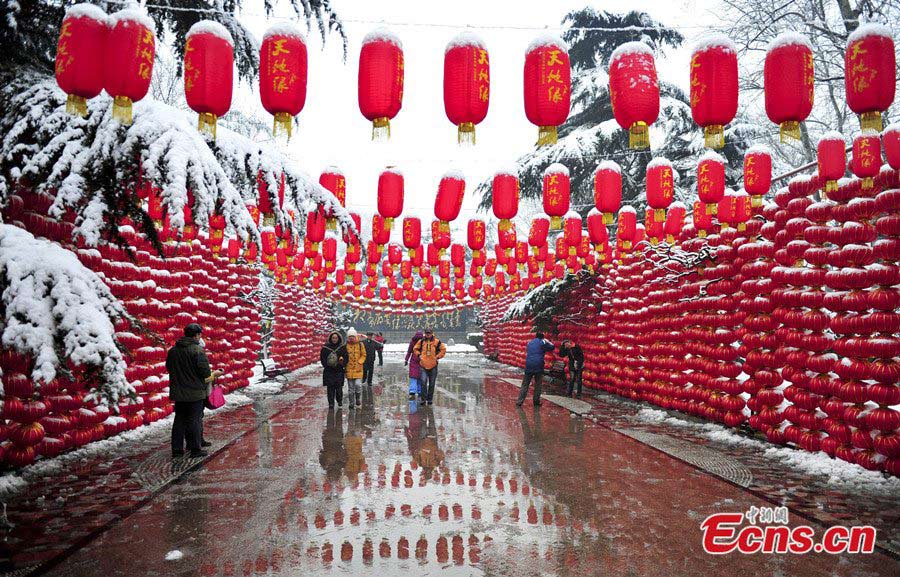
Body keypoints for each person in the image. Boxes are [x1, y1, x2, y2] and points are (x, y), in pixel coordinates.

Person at [166, 323, 221, 458]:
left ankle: (177, 450)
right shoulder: (197, 351)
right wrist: (214, 375)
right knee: (194, 421)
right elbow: (205, 373)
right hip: (195, 393)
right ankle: (195, 449)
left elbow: (168, 367)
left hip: (179, 392)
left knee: (179, 421)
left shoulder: (173, 351)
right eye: (200, 335)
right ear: (197, 335)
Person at [516, 332, 554, 407]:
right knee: (538, 384)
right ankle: (536, 402)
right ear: (542, 337)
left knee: (525, 384)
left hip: (529, 365)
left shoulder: (530, 343)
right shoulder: (542, 342)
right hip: (538, 365)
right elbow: (552, 348)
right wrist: (548, 342)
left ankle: (519, 401)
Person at [413, 329, 446, 405]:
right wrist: (419, 355)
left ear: (432, 333)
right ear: (425, 334)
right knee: (423, 382)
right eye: (426, 333)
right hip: (423, 365)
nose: (428, 335)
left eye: (429, 333)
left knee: (432, 383)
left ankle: (430, 399)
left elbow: (443, 349)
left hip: (433, 365)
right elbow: (415, 349)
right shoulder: (421, 341)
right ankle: (423, 399)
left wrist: (437, 357)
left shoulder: (437, 342)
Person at [320, 330, 349, 408]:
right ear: (330, 338)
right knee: (330, 388)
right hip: (329, 371)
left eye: (336, 338)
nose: (334, 339)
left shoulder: (342, 347)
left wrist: (342, 363)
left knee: (339, 388)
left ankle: (339, 401)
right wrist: (327, 365)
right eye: (333, 338)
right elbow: (322, 358)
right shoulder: (325, 347)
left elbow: (346, 358)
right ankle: (331, 403)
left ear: (338, 338)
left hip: (339, 370)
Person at [344, 328, 366, 408]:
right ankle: (351, 403)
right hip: (348, 369)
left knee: (358, 385)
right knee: (350, 389)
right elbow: (343, 355)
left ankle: (357, 398)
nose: (351, 338)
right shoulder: (345, 345)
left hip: (358, 369)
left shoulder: (360, 344)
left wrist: (360, 362)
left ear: (355, 336)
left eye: (353, 336)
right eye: (350, 336)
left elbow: (363, 355)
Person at [405, 331, 424, 400]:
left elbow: (409, 351)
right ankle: (420, 391)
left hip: (413, 361)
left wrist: (406, 360)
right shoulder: (424, 342)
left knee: (413, 377)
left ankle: (412, 391)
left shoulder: (412, 341)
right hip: (422, 361)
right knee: (420, 378)